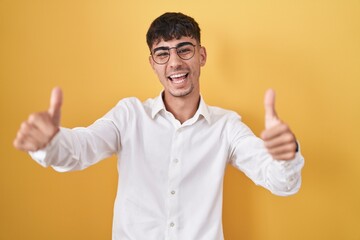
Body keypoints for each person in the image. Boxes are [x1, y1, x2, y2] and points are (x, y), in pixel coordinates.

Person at [14, 12, 304, 240]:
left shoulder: (226, 126)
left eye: (184, 50)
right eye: (163, 53)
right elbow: (80, 150)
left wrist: (286, 156)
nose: (175, 62)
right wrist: (49, 143)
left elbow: (280, 183)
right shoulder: (129, 115)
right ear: (153, 63)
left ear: (201, 56)